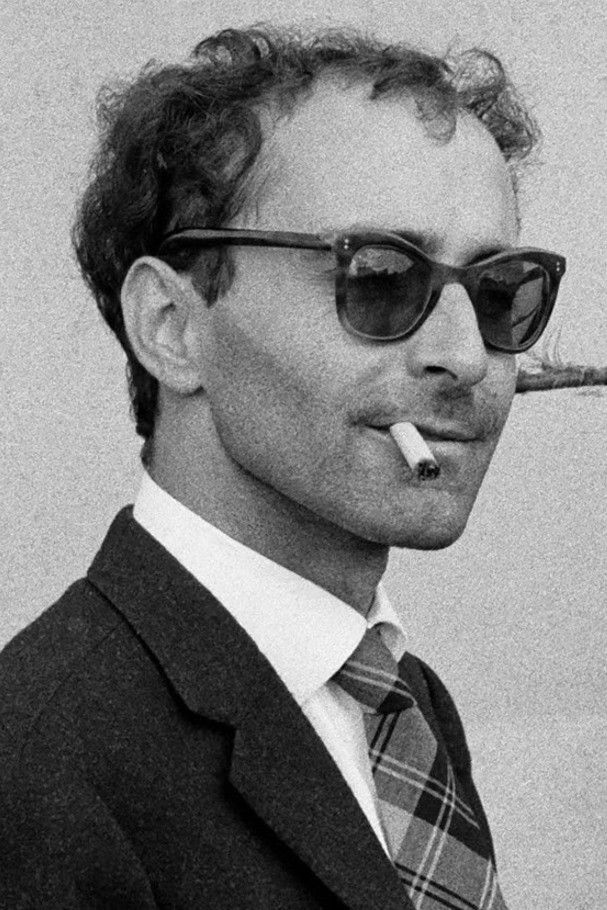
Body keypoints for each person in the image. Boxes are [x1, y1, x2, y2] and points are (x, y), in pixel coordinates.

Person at [0, 25, 566, 910]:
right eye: (378, 277)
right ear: (171, 327)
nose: (465, 356)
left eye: (500, 292)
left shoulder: (405, 709)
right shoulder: (34, 768)